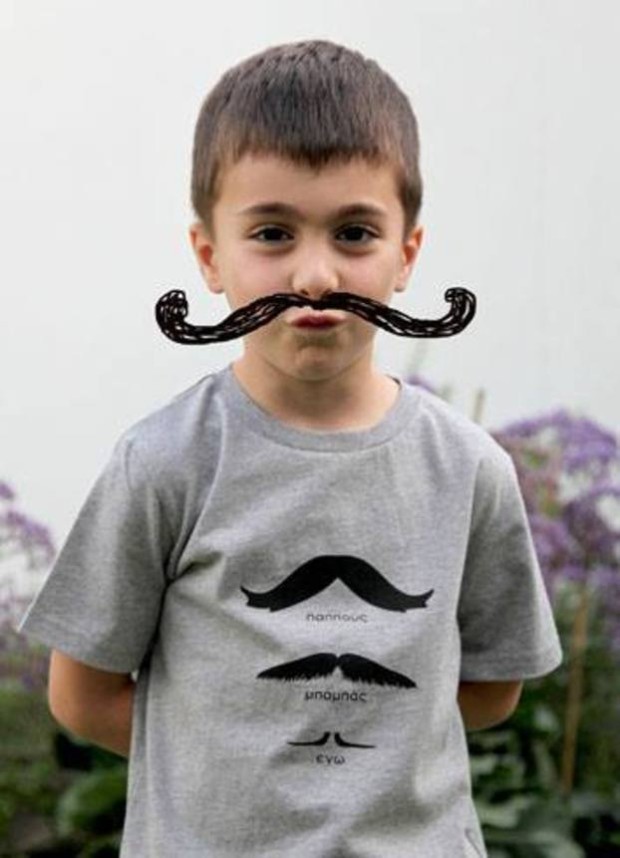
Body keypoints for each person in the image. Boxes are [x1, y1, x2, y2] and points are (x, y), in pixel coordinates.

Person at [18, 38, 562, 857]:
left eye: (354, 233)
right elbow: (83, 696)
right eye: (272, 233)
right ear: (210, 257)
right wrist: (238, 768)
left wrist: (357, 756)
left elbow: (492, 688)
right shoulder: (164, 464)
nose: (314, 276)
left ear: (407, 254)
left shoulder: (469, 469)